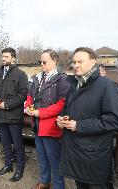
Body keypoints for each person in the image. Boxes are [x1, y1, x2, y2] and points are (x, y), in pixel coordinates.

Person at [56, 47, 118, 189]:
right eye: (74, 62)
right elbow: (67, 108)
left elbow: (115, 120)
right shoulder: (74, 84)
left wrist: (78, 126)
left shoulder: (108, 86)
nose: (76, 65)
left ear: (93, 61)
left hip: (95, 157)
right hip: (76, 153)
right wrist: (62, 118)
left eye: (80, 61)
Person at [25, 50, 69, 189]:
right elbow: (30, 95)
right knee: (42, 157)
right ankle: (44, 182)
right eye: (40, 62)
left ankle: (58, 186)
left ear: (54, 61)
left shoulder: (62, 79)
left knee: (54, 160)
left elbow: (62, 103)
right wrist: (28, 106)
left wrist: (40, 113)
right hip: (37, 125)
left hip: (51, 127)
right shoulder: (37, 77)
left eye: (45, 62)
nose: (42, 64)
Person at [0, 47, 28, 182]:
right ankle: (8, 165)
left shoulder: (20, 74)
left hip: (14, 116)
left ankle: (20, 170)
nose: (3, 59)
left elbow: (23, 95)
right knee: (5, 143)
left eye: (6, 56)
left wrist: (7, 104)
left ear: (13, 58)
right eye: (3, 56)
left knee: (18, 144)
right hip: (0, 115)